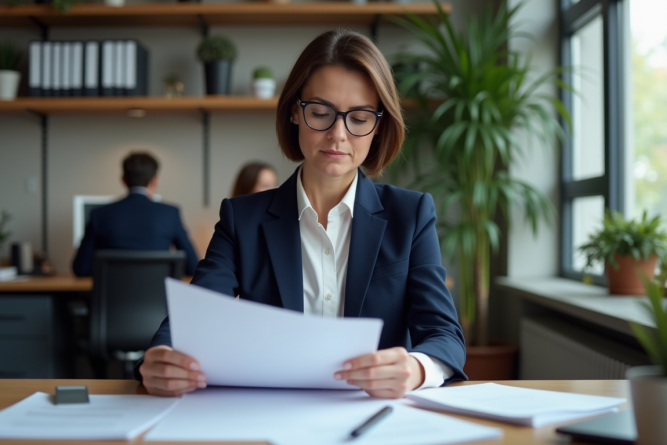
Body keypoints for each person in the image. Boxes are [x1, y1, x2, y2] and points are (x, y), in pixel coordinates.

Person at [137, 30, 466, 398]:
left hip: (372, 415)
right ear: (295, 111)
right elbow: (190, 322)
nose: (338, 134)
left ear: (379, 124)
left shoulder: (411, 215)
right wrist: (161, 357)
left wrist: (416, 368)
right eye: (321, 113)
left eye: (358, 118)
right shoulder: (241, 219)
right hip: (271, 413)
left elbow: (444, 336)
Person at [72, 152, 199, 277]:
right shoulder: (170, 214)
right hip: (157, 296)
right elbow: (193, 267)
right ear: (154, 181)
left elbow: (81, 269)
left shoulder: (98, 215)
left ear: (123, 179)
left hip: (112, 296)